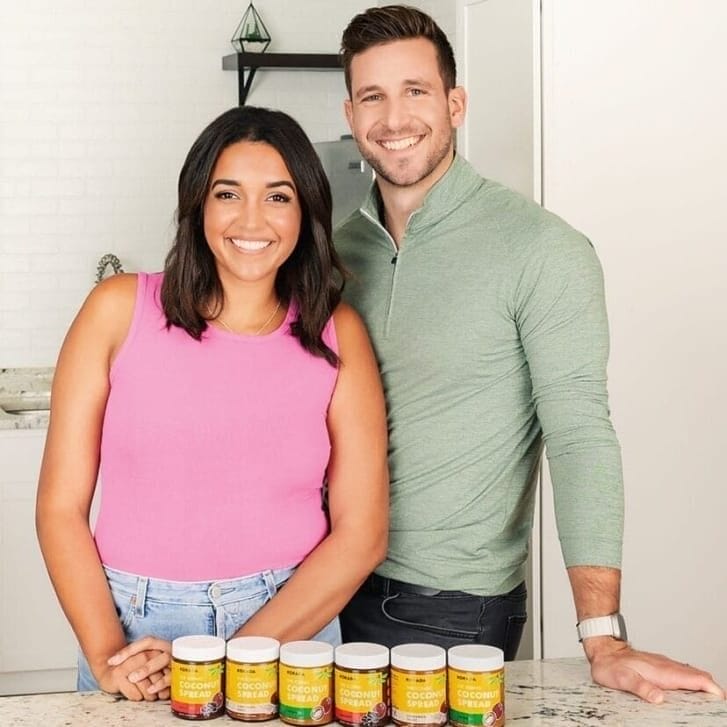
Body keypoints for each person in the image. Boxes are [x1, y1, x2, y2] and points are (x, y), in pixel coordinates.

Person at [334, 4, 724, 704]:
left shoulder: (541, 249)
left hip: (442, 607)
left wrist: (601, 633)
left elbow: (579, 437)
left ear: (455, 103)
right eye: (373, 95)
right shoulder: (335, 252)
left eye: (415, 91)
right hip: (311, 589)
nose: (394, 118)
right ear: (351, 111)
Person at [36, 105, 389, 701]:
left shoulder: (339, 332)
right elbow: (60, 508)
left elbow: (363, 533)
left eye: (278, 197)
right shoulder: (116, 310)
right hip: (134, 633)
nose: (252, 219)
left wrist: (230, 662)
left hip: (289, 625)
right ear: (198, 203)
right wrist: (105, 655)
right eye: (229, 193)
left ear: (306, 212)